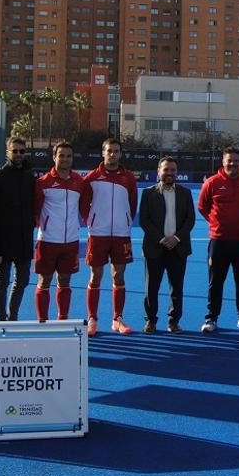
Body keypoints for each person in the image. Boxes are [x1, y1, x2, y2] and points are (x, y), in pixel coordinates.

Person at [198, 146, 239, 333]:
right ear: (223, 162)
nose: (232, 164)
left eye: (236, 161)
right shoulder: (212, 182)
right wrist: (215, 222)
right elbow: (202, 207)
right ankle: (211, 318)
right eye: (229, 161)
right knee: (215, 282)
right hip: (219, 241)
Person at [81, 138, 139, 336]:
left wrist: (125, 221)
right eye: (109, 151)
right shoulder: (92, 177)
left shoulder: (128, 177)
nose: (113, 154)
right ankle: (92, 318)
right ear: (103, 153)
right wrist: (93, 222)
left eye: (116, 151)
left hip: (121, 234)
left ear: (120, 154)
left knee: (119, 274)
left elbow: (133, 204)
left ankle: (117, 319)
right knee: (95, 275)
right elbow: (84, 206)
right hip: (98, 233)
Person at [138, 156, 195, 333]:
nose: (169, 173)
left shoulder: (185, 193)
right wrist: (162, 239)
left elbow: (190, 220)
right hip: (154, 247)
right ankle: (151, 321)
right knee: (151, 287)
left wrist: (176, 238)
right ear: (159, 171)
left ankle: (173, 322)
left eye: (173, 170)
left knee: (176, 288)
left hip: (178, 248)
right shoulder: (148, 193)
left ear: (177, 172)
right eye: (166, 170)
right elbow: (144, 220)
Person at [33, 141, 86, 323]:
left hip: (70, 241)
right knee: (44, 281)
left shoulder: (79, 182)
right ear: (54, 157)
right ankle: (42, 321)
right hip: (48, 240)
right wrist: (44, 227)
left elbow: (83, 207)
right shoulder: (43, 182)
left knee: (65, 281)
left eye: (68, 156)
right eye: (61, 155)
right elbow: (36, 209)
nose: (65, 159)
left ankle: (62, 320)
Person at [0, 137, 35, 322]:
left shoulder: (29, 177)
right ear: (7, 153)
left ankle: (13, 316)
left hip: (24, 239)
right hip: (3, 240)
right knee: (2, 282)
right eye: (14, 151)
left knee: (22, 281)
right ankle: (1, 319)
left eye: (21, 151)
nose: (18, 154)